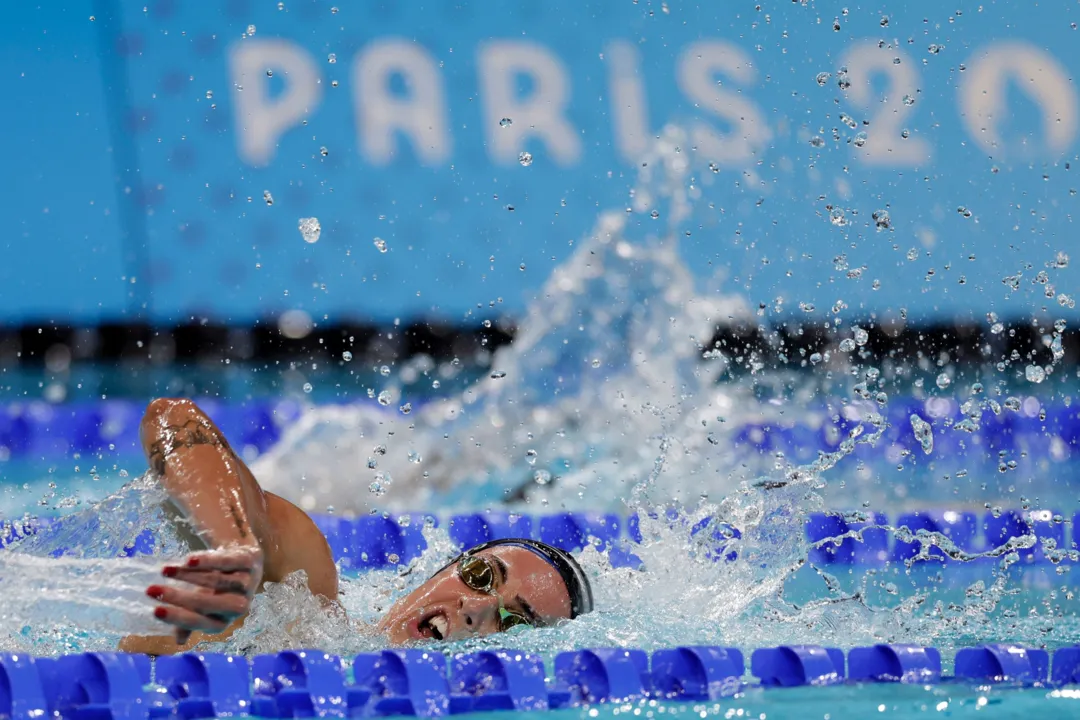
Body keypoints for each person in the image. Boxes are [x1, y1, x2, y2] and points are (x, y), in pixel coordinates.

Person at [118, 399, 593, 655]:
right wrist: (235, 543)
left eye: (514, 623)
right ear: (439, 571)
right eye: (483, 577)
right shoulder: (300, 606)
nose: (476, 609)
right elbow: (172, 421)